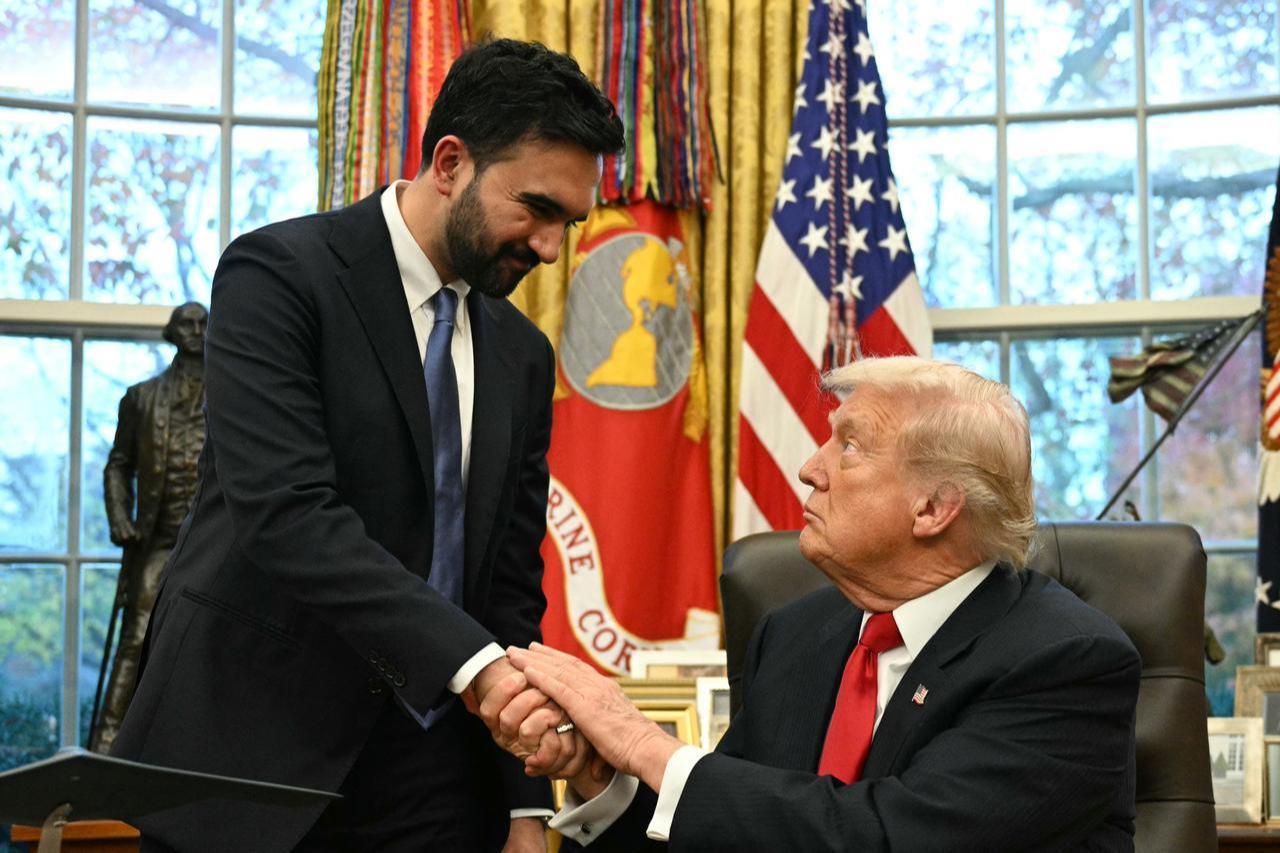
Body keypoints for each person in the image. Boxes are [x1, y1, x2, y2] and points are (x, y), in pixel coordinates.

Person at [111, 38, 624, 853]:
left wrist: (524, 803)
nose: (552, 246)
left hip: (436, 775)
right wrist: (478, 668)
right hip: (250, 759)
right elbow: (287, 514)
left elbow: (509, 589)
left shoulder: (523, 355)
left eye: (569, 219)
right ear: (450, 161)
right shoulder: (279, 276)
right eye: (536, 207)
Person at [498, 357, 1142, 851]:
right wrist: (602, 778)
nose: (810, 467)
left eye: (851, 447)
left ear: (933, 508)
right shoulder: (797, 635)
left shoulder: (1066, 661)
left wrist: (645, 743)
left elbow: (890, 838)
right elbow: (737, 832)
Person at [92, 301, 208, 754]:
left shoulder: (235, 394)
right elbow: (117, 466)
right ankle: (106, 750)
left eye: (203, 323)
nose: (196, 331)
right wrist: (120, 519)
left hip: (217, 544)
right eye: (187, 324)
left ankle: (197, 755)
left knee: (210, 647)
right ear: (172, 333)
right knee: (136, 637)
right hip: (159, 540)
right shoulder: (141, 398)